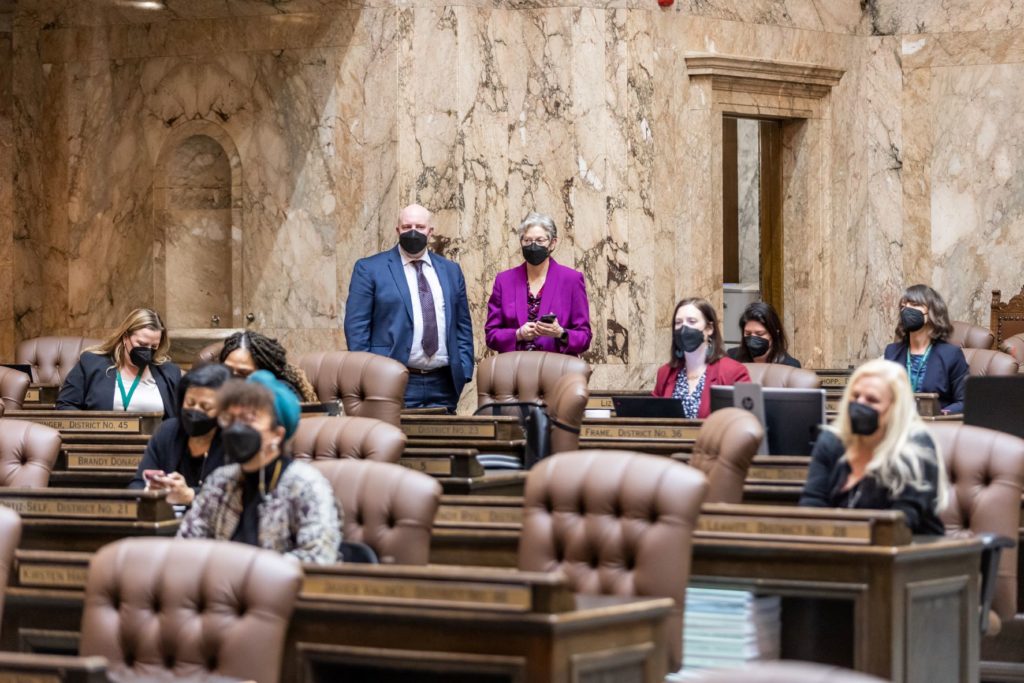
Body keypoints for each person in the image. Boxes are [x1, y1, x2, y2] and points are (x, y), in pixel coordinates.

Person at [177, 371, 341, 564]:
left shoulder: (305, 484)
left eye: (249, 419)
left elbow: (318, 557)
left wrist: (248, 574)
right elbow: (185, 548)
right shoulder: (220, 481)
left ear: (277, 434)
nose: (236, 427)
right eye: (229, 419)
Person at [344, 203, 475, 412]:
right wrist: (368, 375)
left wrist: (465, 369)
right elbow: (357, 328)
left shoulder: (451, 271)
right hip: (392, 380)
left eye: (420, 227)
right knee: (394, 443)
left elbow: (462, 325)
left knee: (444, 445)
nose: (413, 232)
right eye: (407, 227)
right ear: (397, 230)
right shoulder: (369, 269)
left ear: (430, 232)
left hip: (444, 383)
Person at [799, 359, 948, 535]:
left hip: (910, 553)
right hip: (840, 550)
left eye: (872, 400)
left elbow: (902, 522)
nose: (860, 404)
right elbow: (812, 505)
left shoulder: (916, 447)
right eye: (855, 396)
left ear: (895, 407)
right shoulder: (831, 441)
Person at [484, 212, 592, 356]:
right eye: (527, 240)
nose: (533, 246)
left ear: (553, 243)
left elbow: (584, 338)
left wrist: (560, 333)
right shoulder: (504, 281)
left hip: (556, 371)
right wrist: (518, 334)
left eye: (540, 240)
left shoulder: (572, 279)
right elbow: (491, 335)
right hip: (515, 371)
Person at [128, 363, 231, 504]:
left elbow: (236, 494)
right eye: (190, 402)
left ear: (225, 411)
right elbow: (137, 485)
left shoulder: (234, 441)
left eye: (205, 407)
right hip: (166, 520)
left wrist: (191, 495)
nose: (195, 410)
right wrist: (151, 490)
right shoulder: (168, 431)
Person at [56, 308, 181, 416]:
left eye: (154, 347)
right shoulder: (91, 364)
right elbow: (65, 405)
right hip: (103, 442)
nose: (147, 351)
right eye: (142, 344)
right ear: (125, 337)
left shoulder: (169, 373)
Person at [652, 298, 750, 418]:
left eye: (692, 321)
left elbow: (746, 422)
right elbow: (654, 418)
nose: (684, 328)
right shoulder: (665, 372)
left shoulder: (734, 371)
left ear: (709, 328)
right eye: (678, 323)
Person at [883, 284, 969, 414]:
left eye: (914, 304)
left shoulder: (951, 355)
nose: (906, 309)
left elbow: (965, 402)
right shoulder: (892, 352)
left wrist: (941, 415)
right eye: (903, 306)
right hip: (898, 426)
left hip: (937, 427)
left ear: (933, 312)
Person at [219, 331, 318, 402]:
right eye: (227, 370)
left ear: (266, 371)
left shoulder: (281, 392)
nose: (232, 378)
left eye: (243, 373)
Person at [726, 301, 801, 367]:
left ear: (774, 333)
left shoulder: (790, 366)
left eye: (760, 334)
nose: (753, 338)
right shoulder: (731, 357)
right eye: (748, 333)